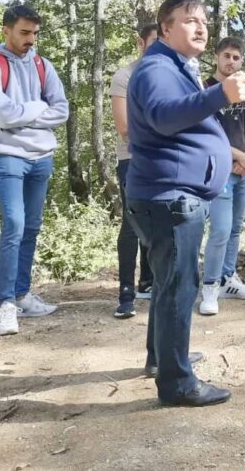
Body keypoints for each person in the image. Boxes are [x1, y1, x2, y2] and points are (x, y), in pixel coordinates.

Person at [125, 0, 245, 406]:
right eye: (188, 20)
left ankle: (163, 359)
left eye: (203, 20)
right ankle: (178, 383)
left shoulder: (176, 67)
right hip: (169, 198)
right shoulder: (156, 69)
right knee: (180, 288)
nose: (200, 27)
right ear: (165, 29)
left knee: (168, 284)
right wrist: (221, 94)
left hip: (169, 197)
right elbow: (165, 117)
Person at [0, 4, 70, 336]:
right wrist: (36, 107)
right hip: (6, 155)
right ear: (7, 31)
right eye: (24, 33)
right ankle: (5, 305)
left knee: (31, 226)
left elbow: (62, 111)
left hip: (41, 156)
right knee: (14, 224)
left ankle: (21, 294)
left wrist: (24, 112)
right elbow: (2, 116)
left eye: (35, 33)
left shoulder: (44, 66)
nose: (31, 39)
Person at [198, 37, 245, 316]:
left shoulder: (244, 91)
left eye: (236, 57)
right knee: (220, 230)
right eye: (226, 56)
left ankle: (228, 279)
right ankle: (209, 286)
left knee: (235, 228)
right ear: (216, 57)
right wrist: (239, 156)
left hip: (242, 170)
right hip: (218, 169)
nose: (231, 61)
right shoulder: (205, 90)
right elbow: (206, 135)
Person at [109, 23, 159, 319]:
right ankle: (125, 293)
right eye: (153, 42)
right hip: (132, 159)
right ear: (141, 43)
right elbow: (125, 127)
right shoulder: (124, 76)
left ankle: (148, 282)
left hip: (160, 160)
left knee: (154, 222)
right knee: (131, 224)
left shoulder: (166, 75)